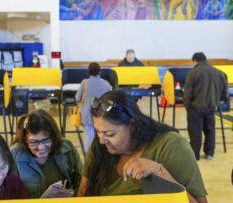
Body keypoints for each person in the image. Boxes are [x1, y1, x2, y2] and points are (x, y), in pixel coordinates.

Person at [77, 90, 208, 203]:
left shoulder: (171, 146)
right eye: (98, 132)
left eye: (110, 134)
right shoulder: (100, 146)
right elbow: (83, 194)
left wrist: (159, 171)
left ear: (133, 124)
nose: (101, 140)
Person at [10, 109, 82, 198]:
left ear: (54, 137)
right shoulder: (14, 154)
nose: (41, 148)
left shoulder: (67, 148)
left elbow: (81, 181)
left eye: (46, 140)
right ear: (25, 140)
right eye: (33, 142)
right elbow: (8, 192)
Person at [183, 52, 227, 160]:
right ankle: (210, 153)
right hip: (212, 107)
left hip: (196, 107)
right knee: (210, 130)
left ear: (195, 61)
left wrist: (187, 105)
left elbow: (188, 92)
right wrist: (217, 103)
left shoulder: (192, 73)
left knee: (195, 132)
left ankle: (195, 155)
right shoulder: (220, 73)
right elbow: (224, 93)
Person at [75, 62, 111, 153]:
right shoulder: (106, 83)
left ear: (88, 72)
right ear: (100, 72)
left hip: (87, 116)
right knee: (103, 138)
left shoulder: (85, 82)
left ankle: (89, 160)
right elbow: (111, 98)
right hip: (103, 115)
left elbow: (77, 98)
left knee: (89, 139)